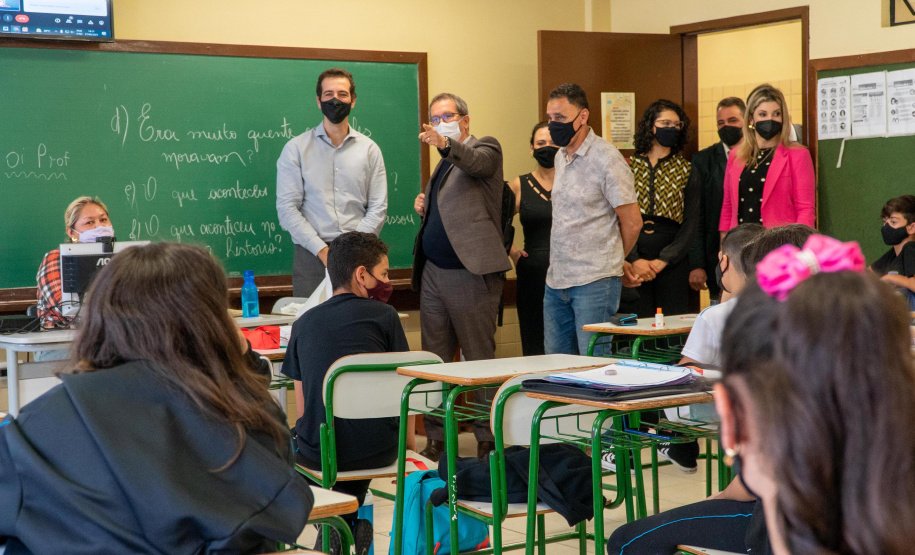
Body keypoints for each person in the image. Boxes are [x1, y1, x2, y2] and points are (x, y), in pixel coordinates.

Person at [0, 243, 313, 553]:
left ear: (100, 321)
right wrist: (239, 361)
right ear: (214, 325)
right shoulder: (248, 421)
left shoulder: (30, 436)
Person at [605, 223, 818, 555]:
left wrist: (715, 500)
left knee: (625, 540)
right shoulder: (857, 353)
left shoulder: (775, 360)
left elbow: (754, 482)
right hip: (855, 522)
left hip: (783, 523)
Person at [281, 231, 405, 550]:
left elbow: (304, 406)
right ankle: (347, 521)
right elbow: (406, 387)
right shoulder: (387, 318)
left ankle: (338, 521)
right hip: (382, 449)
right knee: (358, 437)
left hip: (321, 453)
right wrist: (406, 446)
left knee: (304, 441)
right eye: (384, 274)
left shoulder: (303, 324)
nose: (388, 281)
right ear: (361, 275)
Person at [411, 92, 510, 462]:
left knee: (480, 358)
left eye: (446, 117)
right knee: (434, 360)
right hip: (434, 273)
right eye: (434, 120)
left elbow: (476, 164)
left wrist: (445, 143)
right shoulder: (443, 163)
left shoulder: (485, 148)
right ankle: (437, 438)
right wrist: (426, 204)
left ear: (464, 121)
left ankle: (487, 438)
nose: (439, 124)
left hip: (470, 273)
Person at [543, 83, 642, 355]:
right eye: (550, 118)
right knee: (556, 365)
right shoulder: (560, 156)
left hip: (595, 281)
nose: (554, 124)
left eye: (561, 118)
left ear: (583, 116)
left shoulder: (607, 158)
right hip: (557, 279)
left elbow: (632, 222)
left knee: (594, 363)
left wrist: (614, 258)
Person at [276, 67, 388, 296]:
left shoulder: (369, 150)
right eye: (328, 94)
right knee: (312, 325)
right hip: (312, 256)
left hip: (360, 259)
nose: (335, 100)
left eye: (342, 94)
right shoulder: (296, 149)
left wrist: (353, 249)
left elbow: (378, 207)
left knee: (359, 325)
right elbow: (287, 208)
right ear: (319, 101)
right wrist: (323, 251)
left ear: (353, 100)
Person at [621, 99, 697, 317]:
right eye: (664, 123)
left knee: (672, 325)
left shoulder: (687, 169)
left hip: (672, 260)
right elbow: (618, 218)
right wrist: (633, 259)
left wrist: (664, 260)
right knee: (636, 323)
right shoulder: (628, 166)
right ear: (650, 126)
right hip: (633, 258)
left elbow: (691, 222)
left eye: (676, 125)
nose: (671, 129)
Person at [719, 84, 815, 233]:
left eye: (776, 114)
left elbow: (805, 210)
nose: (770, 119)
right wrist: (724, 246)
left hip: (781, 246)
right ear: (751, 119)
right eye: (763, 114)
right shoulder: (735, 156)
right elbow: (727, 207)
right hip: (739, 245)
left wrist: (799, 248)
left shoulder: (798, 155)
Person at [688, 97, 746, 301]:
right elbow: (697, 215)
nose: (726, 127)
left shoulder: (761, 156)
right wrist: (697, 263)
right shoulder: (702, 160)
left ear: (746, 120)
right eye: (721, 123)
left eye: (733, 120)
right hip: (716, 254)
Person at [507, 121, 555, 356]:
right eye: (541, 143)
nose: (548, 147)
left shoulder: (575, 181)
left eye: (554, 142)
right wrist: (513, 252)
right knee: (534, 342)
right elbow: (497, 223)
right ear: (531, 148)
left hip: (572, 272)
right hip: (532, 274)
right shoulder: (520, 184)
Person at [36, 196, 113, 330]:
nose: (99, 226)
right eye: (89, 222)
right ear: (72, 232)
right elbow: (65, 308)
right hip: (60, 341)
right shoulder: (55, 258)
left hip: (110, 338)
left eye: (103, 220)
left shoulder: (121, 257)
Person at [871, 194, 915, 310]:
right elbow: (867, 273)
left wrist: (891, 278)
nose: (886, 227)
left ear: (912, 227)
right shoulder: (893, 254)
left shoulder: (910, 249)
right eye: (885, 222)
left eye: (893, 222)